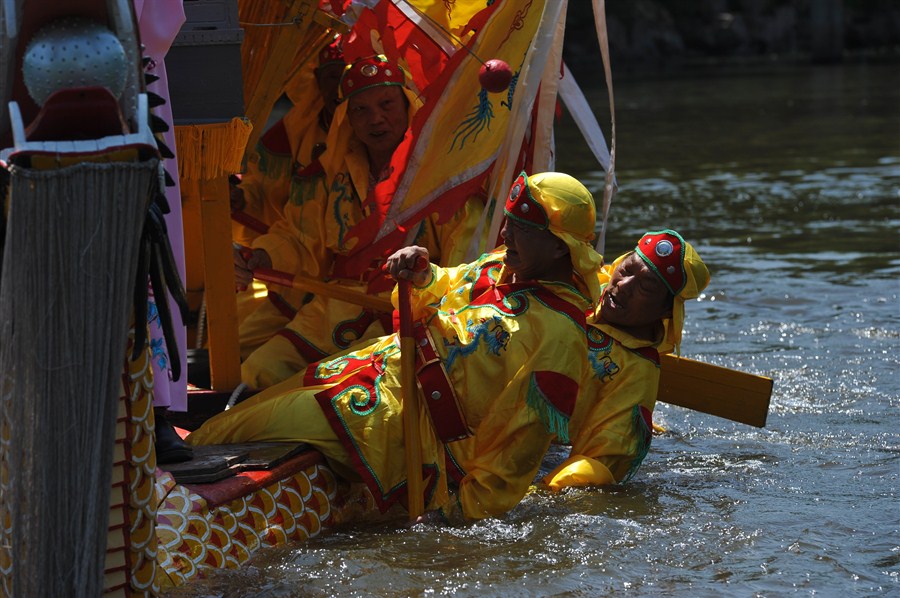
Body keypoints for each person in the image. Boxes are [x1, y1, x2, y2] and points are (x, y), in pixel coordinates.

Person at [189, 171, 605, 521]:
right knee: (226, 426)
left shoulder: (561, 336)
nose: (506, 233)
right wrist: (422, 271)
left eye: (523, 228)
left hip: (400, 426)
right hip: (366, 369)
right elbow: (442, 285)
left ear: (559, 247)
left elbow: (520, 445)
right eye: (509, 220)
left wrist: (463, 516)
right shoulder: (500, 264)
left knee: (230, 434)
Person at [233, 54, 483, 388]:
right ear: (346, 118)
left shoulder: (441, 178)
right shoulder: (330, 175)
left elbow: (466, 262)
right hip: (332, 307)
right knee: (259, 371)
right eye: (360, 110)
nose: (375, 119)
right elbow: (299, 237)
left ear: (407, 106)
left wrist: (426, 277)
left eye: (386, 104)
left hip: (408, 311)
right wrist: (260, 257)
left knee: (353, 390)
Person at [542, 229, 710, 490]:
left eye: (645, 287)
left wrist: (536, 493)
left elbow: (602, 459)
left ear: (666, 310)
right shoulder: (579, 283)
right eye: (627, 269)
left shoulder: (637, 372)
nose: (623, 286)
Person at [231, 35, 346, 341]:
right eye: (333, 77)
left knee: (251, 363)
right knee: (229, 335)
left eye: (348, 78)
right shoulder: (296, 129)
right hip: (291, 271)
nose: (339, 88)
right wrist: (241, 198)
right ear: (317, 81)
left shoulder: (377, 143)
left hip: (347, 292)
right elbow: (267, 192)